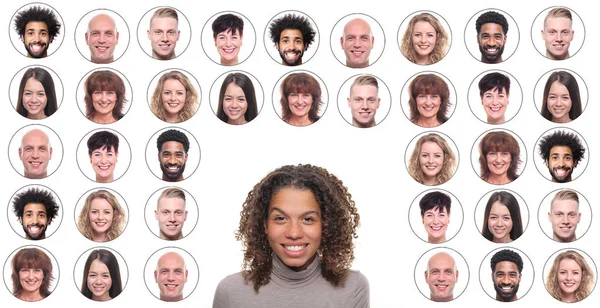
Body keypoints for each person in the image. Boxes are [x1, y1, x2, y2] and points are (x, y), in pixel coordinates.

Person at [213, 164, 369, 308]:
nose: (294, 233)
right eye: (280, 218)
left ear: (325, 225)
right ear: (265, 225)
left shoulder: (352, 288)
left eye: (308, 219)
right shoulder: (231, 293)